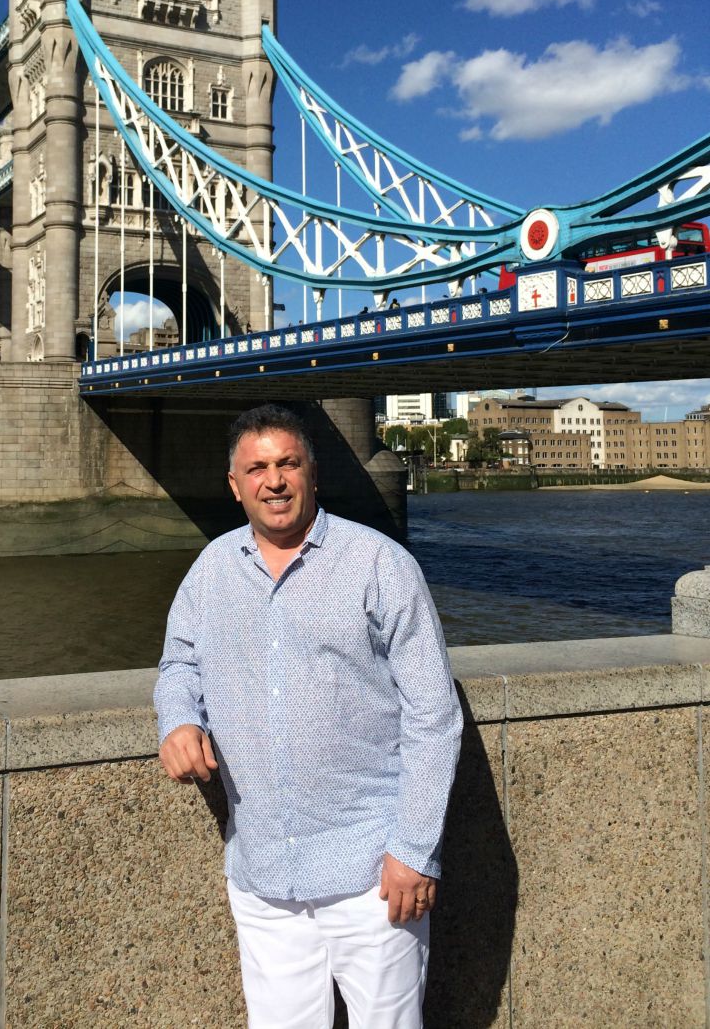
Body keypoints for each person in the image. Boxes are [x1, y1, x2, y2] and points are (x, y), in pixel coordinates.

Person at [154, 404, 462, 1028]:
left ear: (312, 474)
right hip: (263, 876)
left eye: (288, 464)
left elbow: (433, 714)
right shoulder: (211, 570)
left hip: (372, 875)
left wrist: (413, 850)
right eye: (257, 469)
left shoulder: (379, 564)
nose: (274, 481)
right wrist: (178, 720)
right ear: (235, 484)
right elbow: (179, 663)